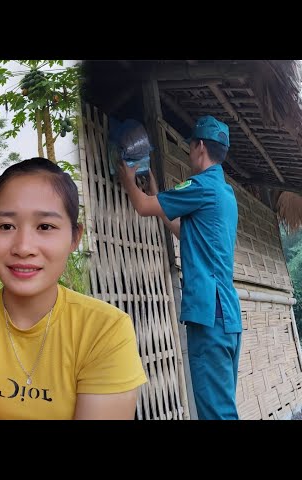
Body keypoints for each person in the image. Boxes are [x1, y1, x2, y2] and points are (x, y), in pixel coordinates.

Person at [0, 157, 148, 420]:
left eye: (45, 227)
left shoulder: (104, 330)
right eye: (6, 226)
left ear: (75, 237)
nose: (23, 247)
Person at [118, 115, 242, 420]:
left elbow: (142, 207)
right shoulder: (225, 195)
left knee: (216, 413)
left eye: (190, 147)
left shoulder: (201, 186)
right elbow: (184, 232)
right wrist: (158, 196)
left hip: (208, 313)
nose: (189, 153)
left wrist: (126, 177)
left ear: (199, 147)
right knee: (221, 406)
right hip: (227, 314)